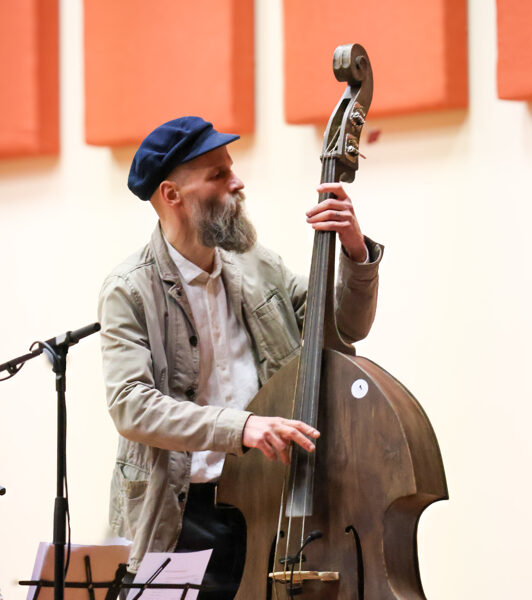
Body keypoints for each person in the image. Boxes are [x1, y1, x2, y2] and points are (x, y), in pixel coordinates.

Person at [98, 116, 382, 598]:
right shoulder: (129, 289)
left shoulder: (257, 265)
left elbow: (342, 329)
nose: (238, 182)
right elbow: (131, 405)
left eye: (231, 168)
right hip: (177, 516)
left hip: (266, 505)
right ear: (171, 195)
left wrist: (354, 251)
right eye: (218, 174)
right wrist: (241, 426)